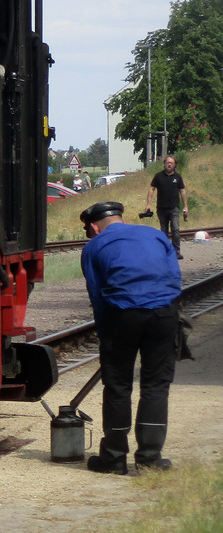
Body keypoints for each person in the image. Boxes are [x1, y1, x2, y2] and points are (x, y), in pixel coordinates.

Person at [79, 201, 182, 473]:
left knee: (117, 385)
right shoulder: (156, 234)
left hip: (121, 316)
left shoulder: (94, 246)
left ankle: (114, 458)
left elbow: (96, 293)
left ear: (93, 227)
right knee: (156, 385)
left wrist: (105, 334)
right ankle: (150, 459)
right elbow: (174, 275)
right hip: (163, 313)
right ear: (120, 218)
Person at [145, 155, 188, 257]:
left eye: (171, 163)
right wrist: (148, 204)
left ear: (174, 165)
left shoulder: (177, 177)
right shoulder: (158, 176)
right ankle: (165, 250)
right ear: (164, 164)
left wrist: (186, 206)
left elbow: (182, 191)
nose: (169, 164)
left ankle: (176, 251)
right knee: (164, 230)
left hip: (174, 207)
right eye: (167, 162)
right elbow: (152, 189)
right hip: (161, 208)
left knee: (175, 229)